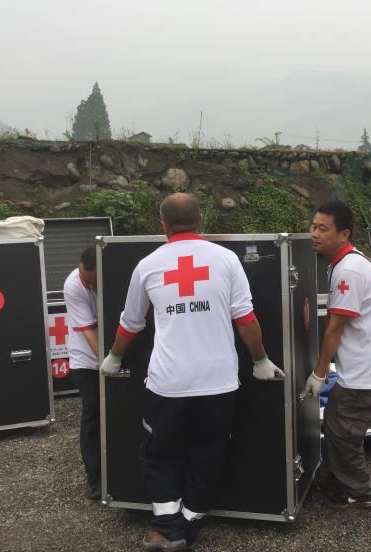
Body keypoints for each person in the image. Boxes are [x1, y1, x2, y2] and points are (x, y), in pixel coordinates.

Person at [101, 192, 284, 552]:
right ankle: (188, 524)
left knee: (159, 454)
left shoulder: (148, 265)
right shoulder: (227, 259)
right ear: (201, 220)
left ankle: (167, 527)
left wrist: (113, 357)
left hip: (168, 384)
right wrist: (260, 361)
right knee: (208, 452)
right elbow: (245, 319)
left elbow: (131, 323)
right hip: (219, 383)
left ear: (163, 225)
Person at [303, 200, 371, 509]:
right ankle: (330, 479)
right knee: (338, 420)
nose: (314, 233)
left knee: (343, 431)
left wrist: (319, 373)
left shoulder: (348, 270)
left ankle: (361, 493)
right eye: (313, 226)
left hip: (368, 366)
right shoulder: (350, 261)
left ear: (343, 234)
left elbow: (335, 327)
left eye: (323, 228)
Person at [63, 246, 102, 500]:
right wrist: (108, 362)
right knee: (92, 418)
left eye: (93, 281)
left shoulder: (111, 276)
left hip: (110, 357)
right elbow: (89, 331)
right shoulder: (74, 285)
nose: (88, 285)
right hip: (86, 364)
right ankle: (95, 479)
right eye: (86, 278)